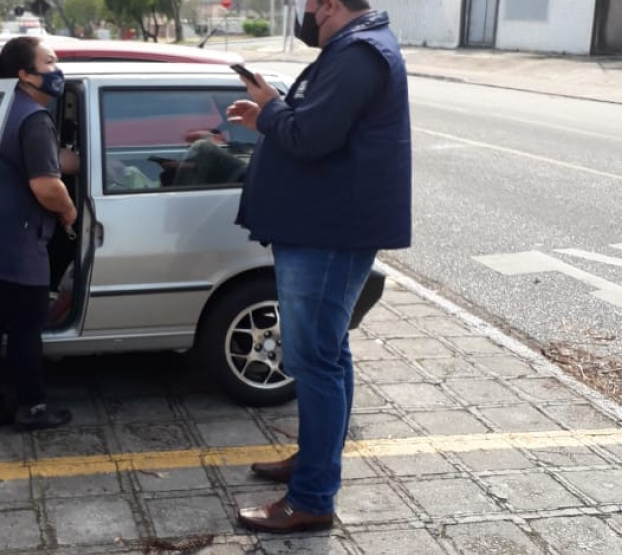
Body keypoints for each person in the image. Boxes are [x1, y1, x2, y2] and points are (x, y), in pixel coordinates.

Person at [226, 0, 412, 533]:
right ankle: (313, 462)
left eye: (308, 3)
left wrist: (269, 115)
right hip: (325, 226)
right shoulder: (353, 50)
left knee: (314, 363)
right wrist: (274, 105)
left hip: (330, 234)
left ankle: (311, 499)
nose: (303, 13)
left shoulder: (359, 54)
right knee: (327, 356)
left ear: (328, 5)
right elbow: (320, 124)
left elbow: (311, 138)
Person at [0, 37, 80, 433]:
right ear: (24, 74)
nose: (57, 69)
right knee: (25, 331)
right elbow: (46, 187)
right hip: (20, 246)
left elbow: (30, 159)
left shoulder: (0, 108)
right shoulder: (34, 117)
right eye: (49, 62)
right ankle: (31, 407)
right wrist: (69, 211)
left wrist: (68, 160)